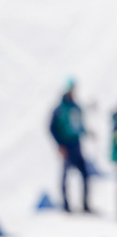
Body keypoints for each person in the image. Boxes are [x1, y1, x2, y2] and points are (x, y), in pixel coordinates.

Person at [48, 79, 92, 213]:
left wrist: (87, 132)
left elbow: (78, 125)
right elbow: (52, 127)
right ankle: (66, 205)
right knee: (65, 175)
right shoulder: (60, 109)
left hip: (76, 144)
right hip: (66, 145)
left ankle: (85, 205)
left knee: (85, 174)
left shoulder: (76, 107)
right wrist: (59, 144)